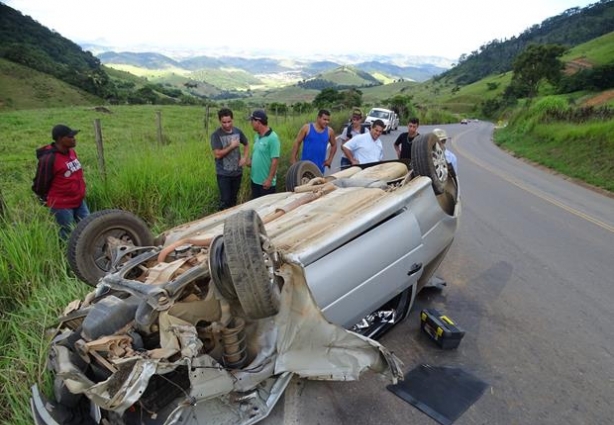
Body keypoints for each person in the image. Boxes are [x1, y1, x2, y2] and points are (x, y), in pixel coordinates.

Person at [32, 124, 89, 240]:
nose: (74, 139)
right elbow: (40, 182)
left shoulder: (72, 153)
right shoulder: (49, 159)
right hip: (62, 204)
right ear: (60, 139)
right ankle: (67, 255)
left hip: (78, 200)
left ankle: (87, 254)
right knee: (68, 232)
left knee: (90, 226)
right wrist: (43, 198)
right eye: (70, 136)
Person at [210, 108, 250, 210]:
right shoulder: (216, 135)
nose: (227, 125)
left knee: (233, 200)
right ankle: (221, 221)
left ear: (232, 119)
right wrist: (232, 146)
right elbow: (217, 154)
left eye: (229, 122)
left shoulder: (237, 131)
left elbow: (246, 144)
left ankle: (232, 221)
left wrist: (244, 158)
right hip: (224, 174)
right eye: (224, 122)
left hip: (237, 173)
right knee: (225, 201)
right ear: (220, 121)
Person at [248, 110, 280, 199]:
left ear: (258, 122)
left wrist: (269, 179)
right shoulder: (256, 136)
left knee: (266, 211)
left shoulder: (273, 138)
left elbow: (275, 160)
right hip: (255, 181)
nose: (251, 123)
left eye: (252, 121)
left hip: (266, 184)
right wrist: (249, 161)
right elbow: (256, 154)